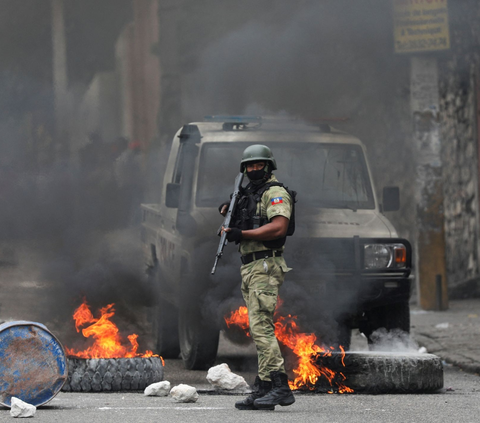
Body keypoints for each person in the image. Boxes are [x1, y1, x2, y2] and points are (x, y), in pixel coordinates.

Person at [220, 144, 295, 411]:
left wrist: (242, 235)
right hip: (251, 266)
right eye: (249, 166)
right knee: (257, 328)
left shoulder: (275, 193)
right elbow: (248, 219)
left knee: (262, 328)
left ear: (268, 166)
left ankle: (279, 386)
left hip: (265, 265)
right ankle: (263, 387)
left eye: (258, 165)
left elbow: (278, 227)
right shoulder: (251, 193)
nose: (254, 169)